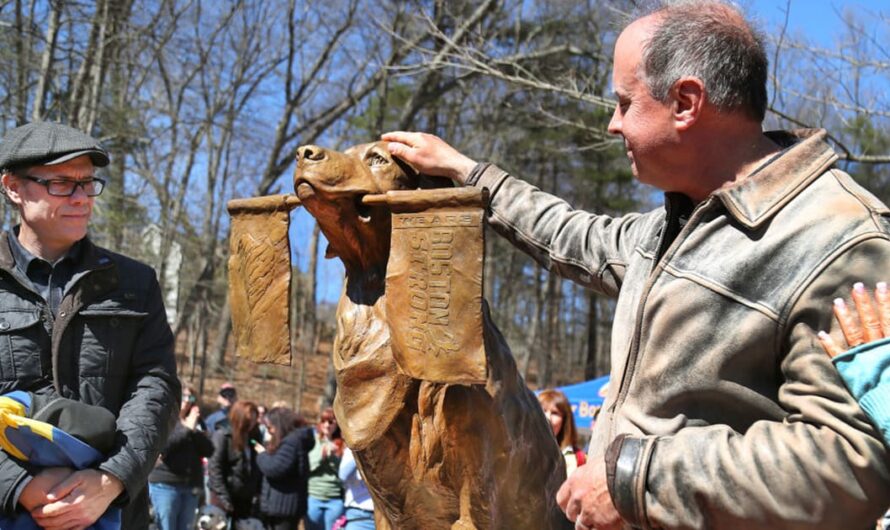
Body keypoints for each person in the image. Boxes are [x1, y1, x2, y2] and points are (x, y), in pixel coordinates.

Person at [381, 1, 890, 527]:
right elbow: (571, 235)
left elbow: (849, 467)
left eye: (625, 102)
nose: (611, 124)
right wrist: (468, 174)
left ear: (687, 102)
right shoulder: (670, 226)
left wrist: (634, 479)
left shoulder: (839, 239)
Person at [0, 121, 180, 529]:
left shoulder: (135, 282)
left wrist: (111, 479)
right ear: (13, 187)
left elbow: (157, 387)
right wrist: (19, 485)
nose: (82, 198)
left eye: (88, 183)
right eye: (62, 183)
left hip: (111, 510)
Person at [148, 385, 214, 530]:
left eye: (190, 397)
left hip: (190, 486)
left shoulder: (196, 421)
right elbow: (164, 447)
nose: (186, 400)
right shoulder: (164, 417)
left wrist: (195, 430)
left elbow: (209, 450)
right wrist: (186, 429)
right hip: (165, 484)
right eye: (183, 396)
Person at [254, 406, 315, 530]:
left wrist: (262, 455)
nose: (269, 431)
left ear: (279, 425)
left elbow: (274, 468)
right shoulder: (292, 440)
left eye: (270, 427)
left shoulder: (291, 442)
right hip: (280, 506)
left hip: (284, 508)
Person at [208, 400, 262, 523]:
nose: (252, 424)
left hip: (244, 497)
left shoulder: (253, 437)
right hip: (224, 495)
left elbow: (255, 466)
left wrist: (256, 490)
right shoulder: (223, 435)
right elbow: (215, 468)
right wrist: (223, 498)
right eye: (249, 420)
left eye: (254, 420)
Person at [305, 407, 344, 530]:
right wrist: (323, 454)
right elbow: (308, 466)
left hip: (334, 498)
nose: (327, 425)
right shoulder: (312, 441)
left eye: (331, 422)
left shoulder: (342, 444)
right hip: (313, 496)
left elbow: (344, 472)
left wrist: (334, 457)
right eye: (324, 421)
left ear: (337, 424)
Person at [538, 389, 586, 476]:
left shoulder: (578, 458)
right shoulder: (518, 453)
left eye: (555, 413)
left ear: (565, 421)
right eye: (543, 411)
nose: (548, 418)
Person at [337, 447, 375, 530]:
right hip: (358, 516)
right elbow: (343, 476)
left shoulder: (386, 450)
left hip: (383, 516)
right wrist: (360, 452)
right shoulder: (351, 451)